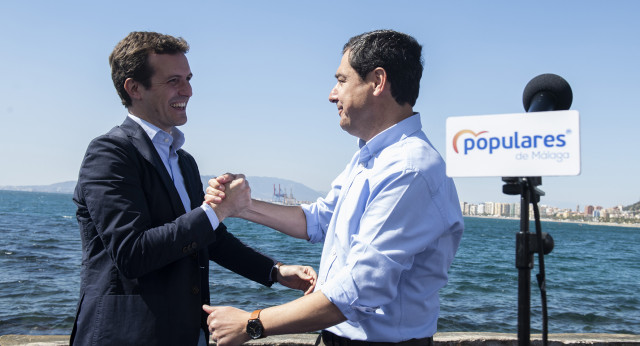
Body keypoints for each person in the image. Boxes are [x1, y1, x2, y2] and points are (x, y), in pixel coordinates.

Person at [202, 29, 464, 346]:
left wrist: (252, 322)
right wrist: (242, 206)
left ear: (378, 81)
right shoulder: (371, 156)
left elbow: (361, 290)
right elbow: (320, 220)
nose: (332, 94)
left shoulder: (409, 169)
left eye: (341, 80)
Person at [71, 31, 316, 346]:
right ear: (134, 88)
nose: (187, 90)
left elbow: (207, 239)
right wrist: (218, 209)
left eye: (188, 78)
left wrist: (275, 270)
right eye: (174, 80)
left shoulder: (183, 161)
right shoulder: (110, 153)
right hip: (126, 337)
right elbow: (132, 254)